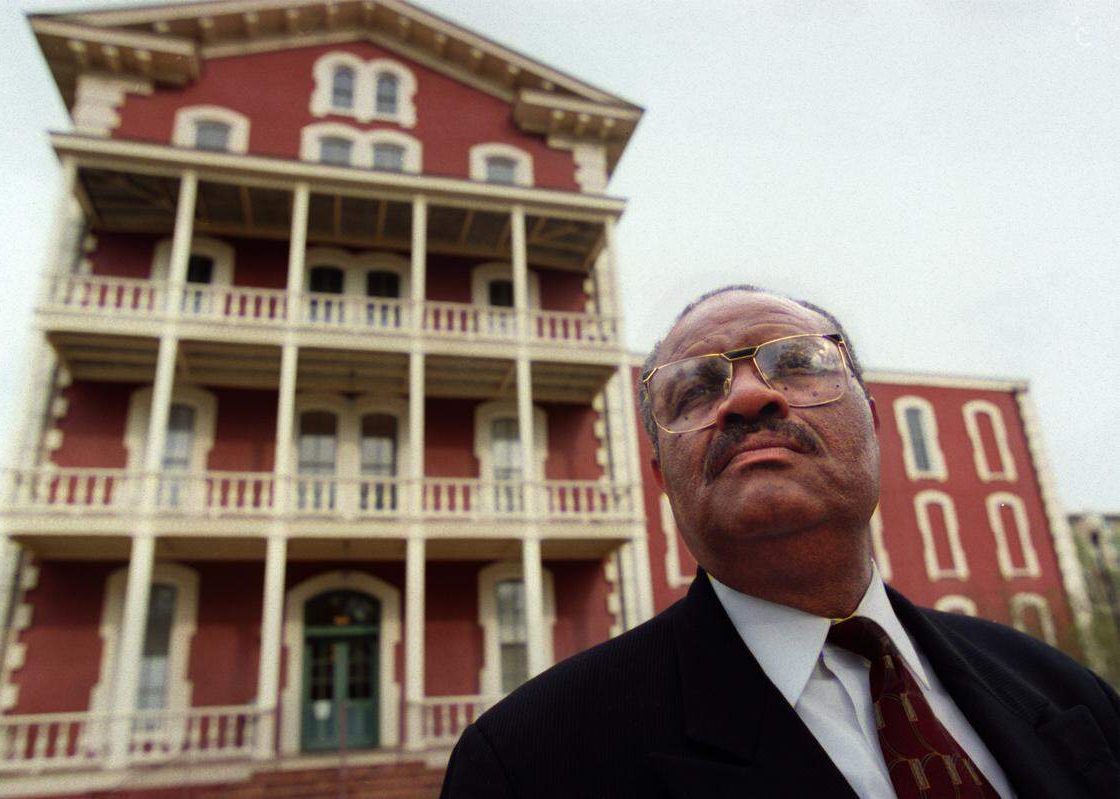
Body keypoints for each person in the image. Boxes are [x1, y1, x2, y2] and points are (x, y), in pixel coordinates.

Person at [440, 285, 1119, 798]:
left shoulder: (1063, 688)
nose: (746, 397)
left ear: (875, 424)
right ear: (661, 476)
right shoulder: (527, 765)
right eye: (693, 390)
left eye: (797, 363)